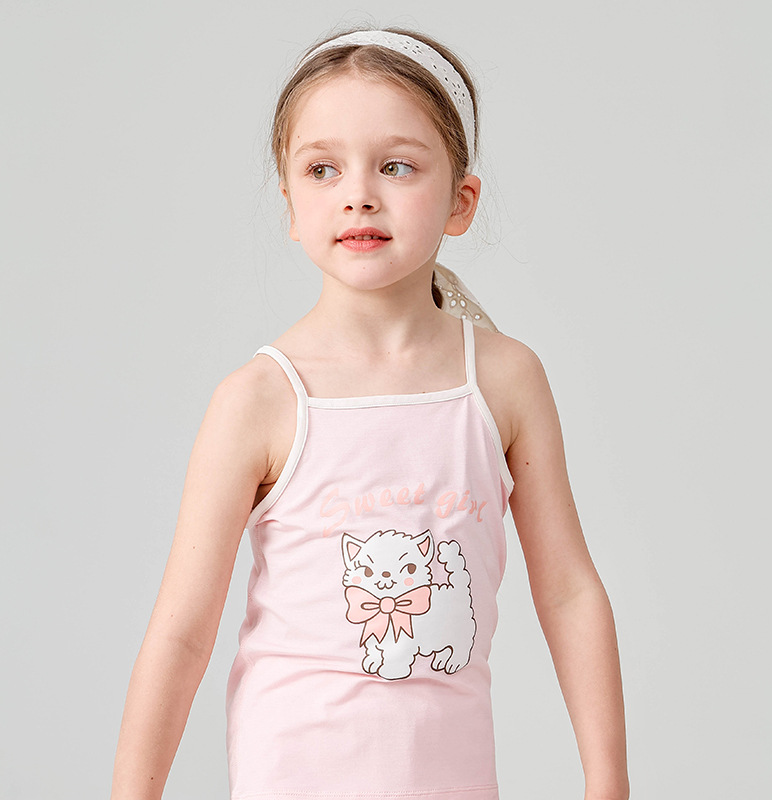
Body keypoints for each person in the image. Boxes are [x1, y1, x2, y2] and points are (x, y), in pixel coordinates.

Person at [110, 26, 630, 800]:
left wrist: (608, 781)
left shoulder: (504, 380)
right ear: (291, 205)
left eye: (397, 166)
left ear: (460, 201)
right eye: (323, 168)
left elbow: (568, 591)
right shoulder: (259, 400)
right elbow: (182, 633)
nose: (358, 193)